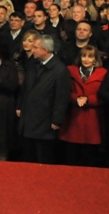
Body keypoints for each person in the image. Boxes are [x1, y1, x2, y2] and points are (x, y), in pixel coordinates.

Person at [16, 34, 71, 164]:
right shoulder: (33, 64)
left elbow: (61, 97)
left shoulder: (60, 70)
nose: (32, 50)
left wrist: (56, 120)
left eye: (35, 47)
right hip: (28, 118)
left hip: (45, 121)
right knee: (28, 157)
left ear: (45, 50)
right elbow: (25, 88)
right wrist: (19, 106)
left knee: (43, 158)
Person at [57, 45, 107, 167]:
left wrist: (88, 99)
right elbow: (62, 92)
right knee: (71, 156)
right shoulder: (70, 70)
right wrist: (76, 98)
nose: (86, 59)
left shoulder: (103, 73)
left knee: (88, 157)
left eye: (90, 57)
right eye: (84, 56)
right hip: (73, 118)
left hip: (92, 118)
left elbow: (105, 94)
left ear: (95, 59)